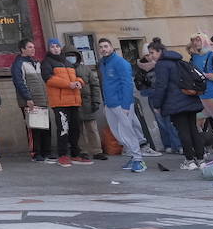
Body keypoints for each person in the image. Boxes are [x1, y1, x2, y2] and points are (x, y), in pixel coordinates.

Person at [147, 40, 205, 169]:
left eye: (152, 53)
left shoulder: (161, 65)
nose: (151, 56)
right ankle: (201, 160)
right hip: (190, 99)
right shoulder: (178, 60)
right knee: (193, 130)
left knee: (183, 131)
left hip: (175, 103)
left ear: (160, 52)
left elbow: (161, 86)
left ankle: (189, 160)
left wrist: (157, 105)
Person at [97, 39, 146, 173]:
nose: (103, 49)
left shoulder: (121, 63)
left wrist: (126, 104)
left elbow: (128, 84)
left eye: (106, 46)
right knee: (118, 134)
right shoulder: (103, 64)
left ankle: (138, 159)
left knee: (127, 132)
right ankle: (132, 156)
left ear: (112, 47)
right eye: (101, 47)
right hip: (110, 104)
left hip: (121, 103)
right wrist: (106, 103)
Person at [42, 39, 91, 166]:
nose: (55, 49)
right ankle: (62, 155)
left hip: (74, 100)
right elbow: (48, 79)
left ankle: (75, 153)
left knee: (75, 128)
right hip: (59, 102)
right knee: (63, 128)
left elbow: (78, 76)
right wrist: (68, 84)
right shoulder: (47, 62)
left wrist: (79, 82)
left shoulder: (68, 62)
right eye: (52, 46)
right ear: (49, 49)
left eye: (57, 46)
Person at [187, 32, 213, 144]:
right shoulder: (194, 57)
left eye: (198, 40)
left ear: (205, 41)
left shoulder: (212, 55)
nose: (196, 43)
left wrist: (211, 76)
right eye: (194, 41)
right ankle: (209, 145)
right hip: (200, 94)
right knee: (197, 120)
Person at [12, 38, 51, 162]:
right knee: (33, 128)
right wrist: (28, 98)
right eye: (29, 47)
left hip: (41, 99)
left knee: (44, 126)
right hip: (30, 101)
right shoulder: (19, 64)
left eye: (33, 47)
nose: (33, 49)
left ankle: (46, 151)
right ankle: (35, 152)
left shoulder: (36, 62)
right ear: (22, 49)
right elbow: (19, 82)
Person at [67, 48, 107, 159]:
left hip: (87, 103)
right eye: (68, 56)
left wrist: (96, 101)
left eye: (73, 55)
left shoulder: (86, 69)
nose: (71, 58)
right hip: (74, 103)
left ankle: (97, 151)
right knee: (78, 129)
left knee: (92, 128)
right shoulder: (64, 69)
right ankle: (83, 150)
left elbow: (95, 85)